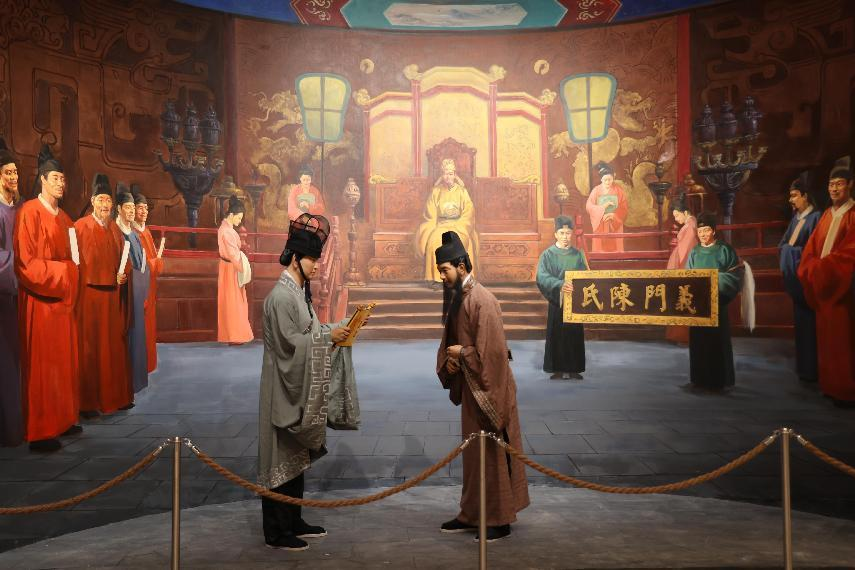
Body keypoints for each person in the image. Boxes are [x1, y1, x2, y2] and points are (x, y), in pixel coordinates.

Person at [257, 213, 356, 551]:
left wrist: (339, 328)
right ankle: (277, 530)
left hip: (296, 386)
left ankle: (293, 519)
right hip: (283, 387)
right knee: (279, 456)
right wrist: (327, 338)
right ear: (296, 259)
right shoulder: (281, 298)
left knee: (295, 456)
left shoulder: (297, 293)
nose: (316, 266)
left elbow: (310, 332)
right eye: (312, 259)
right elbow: (291, 346)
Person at [434, 231, 529, 542]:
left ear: (461, 266)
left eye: (445, 270)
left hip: (490, 389)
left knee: (492, 455)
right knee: (475, 457)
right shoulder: (460, 297)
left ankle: (500, 519)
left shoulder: (482, 300)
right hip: (473, 387)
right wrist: (451, 362)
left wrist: (462, 354)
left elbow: (493, 355)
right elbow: (453, 343)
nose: (442, 277)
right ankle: (472, 514)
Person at [13, 144, 81, 451]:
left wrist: (71, 272)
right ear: (42, 179)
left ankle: (64, 419)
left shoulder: (66, 219)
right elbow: (26, 264)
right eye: (55, 178)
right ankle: (41, 432)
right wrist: (65, 272)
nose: (60, 183)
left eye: (63, 179)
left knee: (64, 365)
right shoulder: (29, 212)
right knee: (43, 368)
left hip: (63, 303)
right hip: (40, 303)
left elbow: (76, 260)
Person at [798, 157, 855, 406]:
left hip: (843, 289)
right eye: (831, 185)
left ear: (850, 185)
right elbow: (811, 249)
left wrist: (823, 268)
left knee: (844, 340)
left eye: (839, 184)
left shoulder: (852, 215)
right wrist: (811, 267)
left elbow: (850, 252)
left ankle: (846, 390)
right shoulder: (826, 215)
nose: (834, 189)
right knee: (827, 340)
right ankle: (831, 386)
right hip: (823, 285)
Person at [74, 175, 132, 416]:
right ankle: (88, 404)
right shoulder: (80, 227)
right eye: (101, 200)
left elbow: (125, 260)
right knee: (90, 349)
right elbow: (74, 263)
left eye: (108, 200)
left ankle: (116, 398)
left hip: (111, 297)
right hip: (88, 297)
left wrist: (123, 274)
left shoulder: (115, 230)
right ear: (92, 201)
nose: (105, 205)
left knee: (114, 349)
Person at [686, 213, 744, 392]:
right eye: (700, 231)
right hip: (698, 306)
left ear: (713, 230)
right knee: (699, 342)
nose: (703, 234)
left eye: (706, 230)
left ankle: (719, 380)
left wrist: (712, 280)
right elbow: (687, 276)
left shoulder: (725, 250)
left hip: (717, 304)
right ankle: (699, 378)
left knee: (717, 343)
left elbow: (734, 277)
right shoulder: (694, 251)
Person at [778, 173, 821, 383]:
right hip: (796, 278)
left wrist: (791, 251)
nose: (791, 200)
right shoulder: (796, 219)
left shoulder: (816, 218)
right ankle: (804, 369)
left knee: (812, 325)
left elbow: (814, 250)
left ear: (805, 196)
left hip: (808, 277)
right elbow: (783, 243)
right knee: (801, 325)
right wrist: (788, 251)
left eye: (794, 195)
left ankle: (814, 370)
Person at [536, 216, 588, 380]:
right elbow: (541, 276)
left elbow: (586, 276)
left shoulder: (577, 255)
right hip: (557, 301)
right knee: (557, 333)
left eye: (568, 233)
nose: (565, 236)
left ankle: (574, 369)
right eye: (562, 233)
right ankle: (557, 369)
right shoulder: (548, 255)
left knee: (574, 333)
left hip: (574, 301)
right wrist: (559, 284)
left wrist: (577, 286)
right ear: (556, 234)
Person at [415, 159, 479, 286]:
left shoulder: (462, 191)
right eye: (445, 174)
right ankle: (438, 279)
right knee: (434, 242)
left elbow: (468, 212)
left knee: (457, 242)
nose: (448, 177)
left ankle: (460, 279)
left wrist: (459, 226)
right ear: (442, 175)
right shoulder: (436, 191)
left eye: (450, 174)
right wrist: (432, 227)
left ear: (454, 175)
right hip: (441, 225)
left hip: (459, 225)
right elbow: (431, 213)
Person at [0, 139, 23, 446]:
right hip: (4, 295)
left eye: (15, 171)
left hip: (21, 294)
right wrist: (20, 268)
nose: (14, 177)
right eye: (8, 172)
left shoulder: (20, 207)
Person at [115, 191, 149, 394]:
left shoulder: (135, 235)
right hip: (123, 292)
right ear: (119, 209)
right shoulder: (115, 232)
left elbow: (142, 263)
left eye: (131, 208)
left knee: (138, 335)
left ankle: (136, 381)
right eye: (126, 207)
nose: (130, 211)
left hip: (137, 289)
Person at [132, 187, 163, 372]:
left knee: (149, 326)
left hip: (150, 287)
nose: (143, 212)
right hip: (140, 286)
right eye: (140, 208)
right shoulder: (132, 233)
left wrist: (155, 264)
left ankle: (149, 363)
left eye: (145, 208)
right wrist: (154, 263)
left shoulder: (147, 231)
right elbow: (138, 264)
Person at [217, 194, 253, 344]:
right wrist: (243, 266)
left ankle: (233, 335)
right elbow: (233, 254)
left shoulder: (226, 229)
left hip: (227, 267)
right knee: (233, 301)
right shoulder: (227, 232)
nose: (239, 221)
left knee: (231, 301)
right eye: (238, 218)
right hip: (231, 268)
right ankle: (235, 336)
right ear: (231, 215)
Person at [665, 193, 698, 344]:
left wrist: (679, 271)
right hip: (682, 265)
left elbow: (686, 252)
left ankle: (682, 336)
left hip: (684, 267)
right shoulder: (690, 224)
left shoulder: (689, 227)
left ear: (685, 213)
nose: (676, 219)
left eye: (677, 215)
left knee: (682, 300)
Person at [585, 161, 628, 252]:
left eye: (610, 179)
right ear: (601, 179)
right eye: (605, 180)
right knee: (600, 251)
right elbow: (589, 207)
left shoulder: (618, 190)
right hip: (601, 223)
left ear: (613, 178)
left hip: (615, 224)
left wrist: (614, 215)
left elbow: (624, 208)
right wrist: (602, 208)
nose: (608, 182)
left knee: (616, 251)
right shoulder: (596, 190)